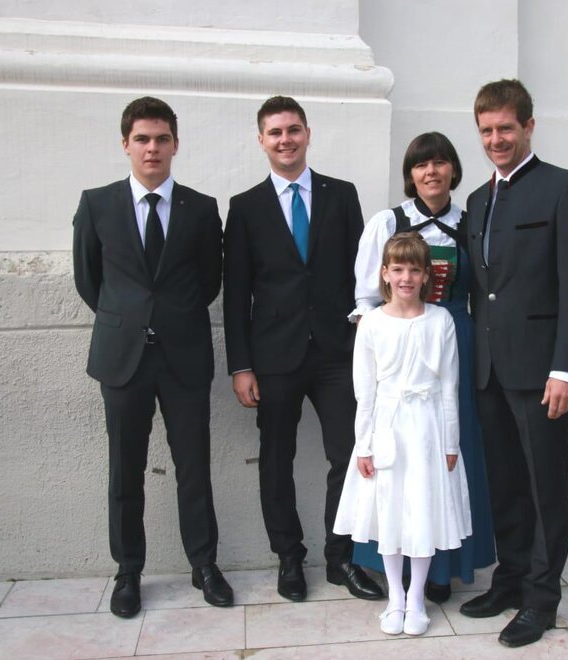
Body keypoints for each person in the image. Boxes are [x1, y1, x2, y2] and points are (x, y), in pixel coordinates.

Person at [72, 96, 231, 618]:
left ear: (175, 145)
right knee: (126, 470)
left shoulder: (201, 208)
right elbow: (90, 281)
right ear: (126, 144)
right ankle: (128, 572)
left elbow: (209, 281)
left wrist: (170, 317)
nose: (152, 148)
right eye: (142, 138)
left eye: (162, 138)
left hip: (184, 357)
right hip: (123, 359)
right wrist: (130, 319)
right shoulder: (97, 204)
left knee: (194, 467)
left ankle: (204, 565)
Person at [223, 95, 383, 603]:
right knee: (276, 459)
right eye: (275, 132)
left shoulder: (342, 195)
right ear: (262, 141)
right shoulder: (245, 208)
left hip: (338, 352)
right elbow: (236, 293)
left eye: (293, 129)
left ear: (308, 134)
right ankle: (288, 557)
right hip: (274, 356)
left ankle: (340, 558)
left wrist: (369, 345)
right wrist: (241, 365)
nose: (285, 139)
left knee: (350, 454)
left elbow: (364, 278)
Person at [459, 79, 568, 647]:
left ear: (529, 127)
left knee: (545, 487)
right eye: (486, 130)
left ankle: (542, 600)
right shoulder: (476, 200)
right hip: (489, 370)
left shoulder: (565, 188)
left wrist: (567, 368)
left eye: (506, 129)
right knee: (505, 484)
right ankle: (511, 579)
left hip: (542, 373)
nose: (496, 139)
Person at [350, 132, 495, 601]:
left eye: (439, 162)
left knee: (449, 452)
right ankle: (396, 567)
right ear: (410, 174)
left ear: (454, 169)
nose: (430, 172)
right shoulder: (388, 222)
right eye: (420, 165)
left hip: (455, 341)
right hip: (401, 347)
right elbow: (367, 297)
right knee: (400, 457)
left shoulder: (472, 224)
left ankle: (441, 570)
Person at [334, 232, 472, 636]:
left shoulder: (440, 320)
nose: (406, 278)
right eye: (398, 269)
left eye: (414, 270)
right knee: (391, 509)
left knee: (423, 509)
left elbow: (449, 385)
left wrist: (450, 442)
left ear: (427, 275)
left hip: (428, 428)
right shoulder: (372, 323)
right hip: (387, 427)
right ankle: (395, 595)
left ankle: (416, 598)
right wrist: (364, 444)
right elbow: (365, 391)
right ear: (385, 274)